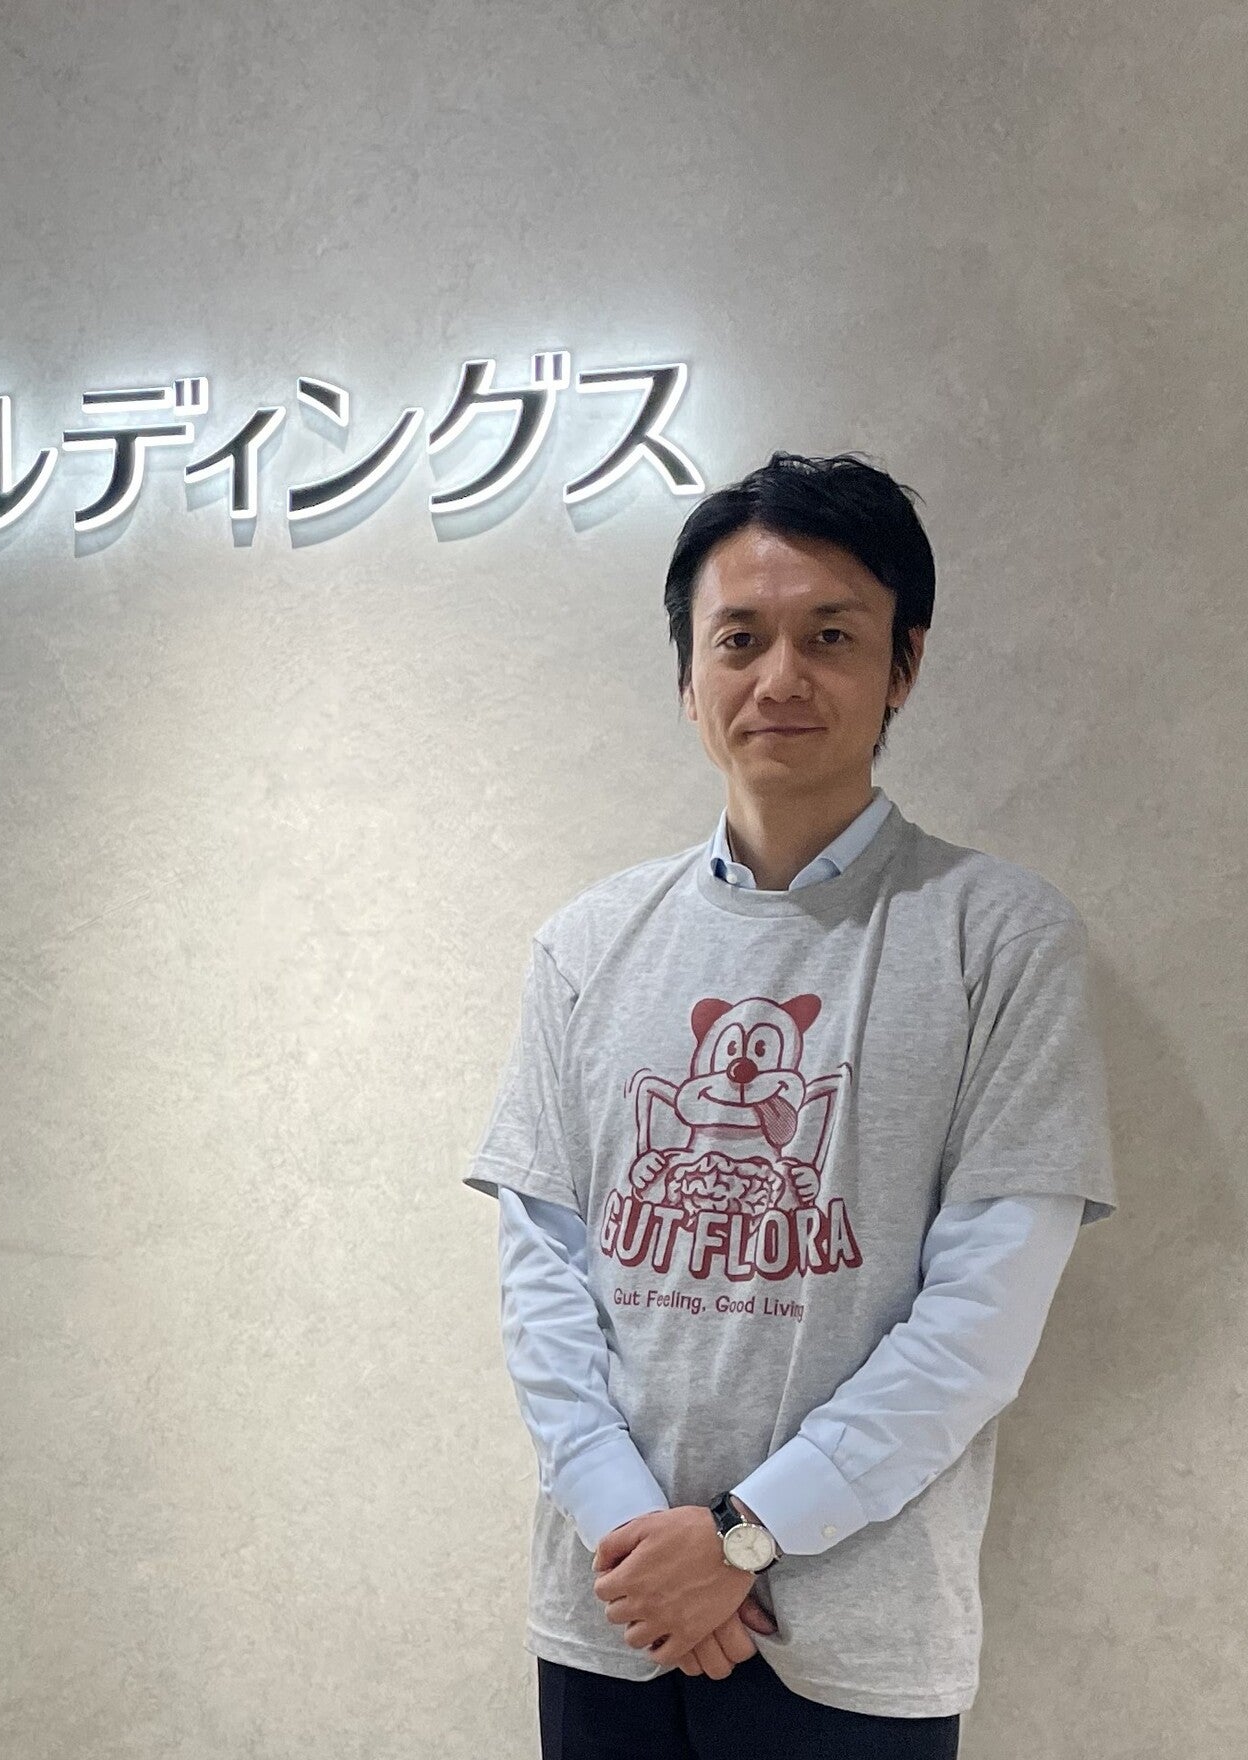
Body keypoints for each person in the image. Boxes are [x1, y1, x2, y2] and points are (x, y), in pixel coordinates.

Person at [465, 453, 1115, 1757]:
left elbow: (979, 1323)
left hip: (855, 1645)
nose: (779, 678)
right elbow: (544, 1280)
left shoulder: (1000, 940)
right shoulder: (586, 945)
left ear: (903, 664)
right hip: (613, 1613)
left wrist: (742, 1538)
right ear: (687, 676)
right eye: (739, 638)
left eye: (830, 636)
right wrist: (637, 1538)